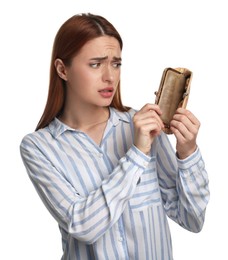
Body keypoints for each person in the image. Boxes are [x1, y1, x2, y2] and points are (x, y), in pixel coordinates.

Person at [20, 13, 210, 260]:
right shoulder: (39, 147)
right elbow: (84, 226)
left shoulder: (145, 126)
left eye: (116, 63)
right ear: (62, 69)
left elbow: (193, 220)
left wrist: (188, 152)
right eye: (96, 64)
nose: (110, 77)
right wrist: (137, 154)